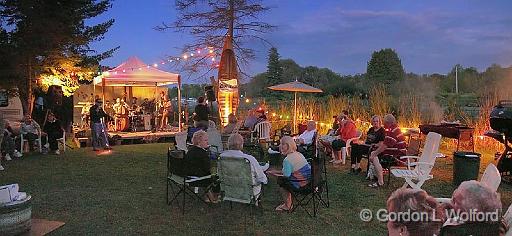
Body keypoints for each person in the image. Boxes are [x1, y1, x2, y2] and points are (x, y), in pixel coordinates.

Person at [440, 180, 505, 235]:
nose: (451, 203)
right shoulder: (493, 218)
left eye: (455, 202)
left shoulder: (454, 232)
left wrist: (438, 221)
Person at [220, 133, 268, 199]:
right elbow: (261, 177)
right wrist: (265, 179)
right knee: (260, 176)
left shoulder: (222, 157)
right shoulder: (248, 159)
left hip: (229, 189)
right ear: (242, 145)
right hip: (248, 191)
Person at [368, 114, 407, 187]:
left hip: (398, 158)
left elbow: (384, 146)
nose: (383, 124)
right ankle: (376, 175)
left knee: (375, 157)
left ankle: (380, 181)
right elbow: (386, 144)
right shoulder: (394, 129)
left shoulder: (393, 131)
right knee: (375, 153)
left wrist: (374, 154)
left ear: (389, 123)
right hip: (397, 154)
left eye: (384, 123)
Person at [275, 136, 311, 212]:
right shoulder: (298, 154)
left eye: (282, 144)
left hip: (301, 184)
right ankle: (289, 202)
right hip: (310, 181)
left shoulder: (287, 160)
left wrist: (274, 175)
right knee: (283, 179)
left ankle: (287, 205)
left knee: (282, 182)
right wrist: (275, 171)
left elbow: (286, 176)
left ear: (287, 146)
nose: (280, 146)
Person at [184, 130, 220, 203]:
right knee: (216, 177)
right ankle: (215, 196)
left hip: (188, 175)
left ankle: (209, 196)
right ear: (199, 142)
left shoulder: (190, 150)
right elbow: (207, 168)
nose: (207, 142)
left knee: (207, 175)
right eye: (205, 140)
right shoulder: (203, 153)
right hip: (198, 179)